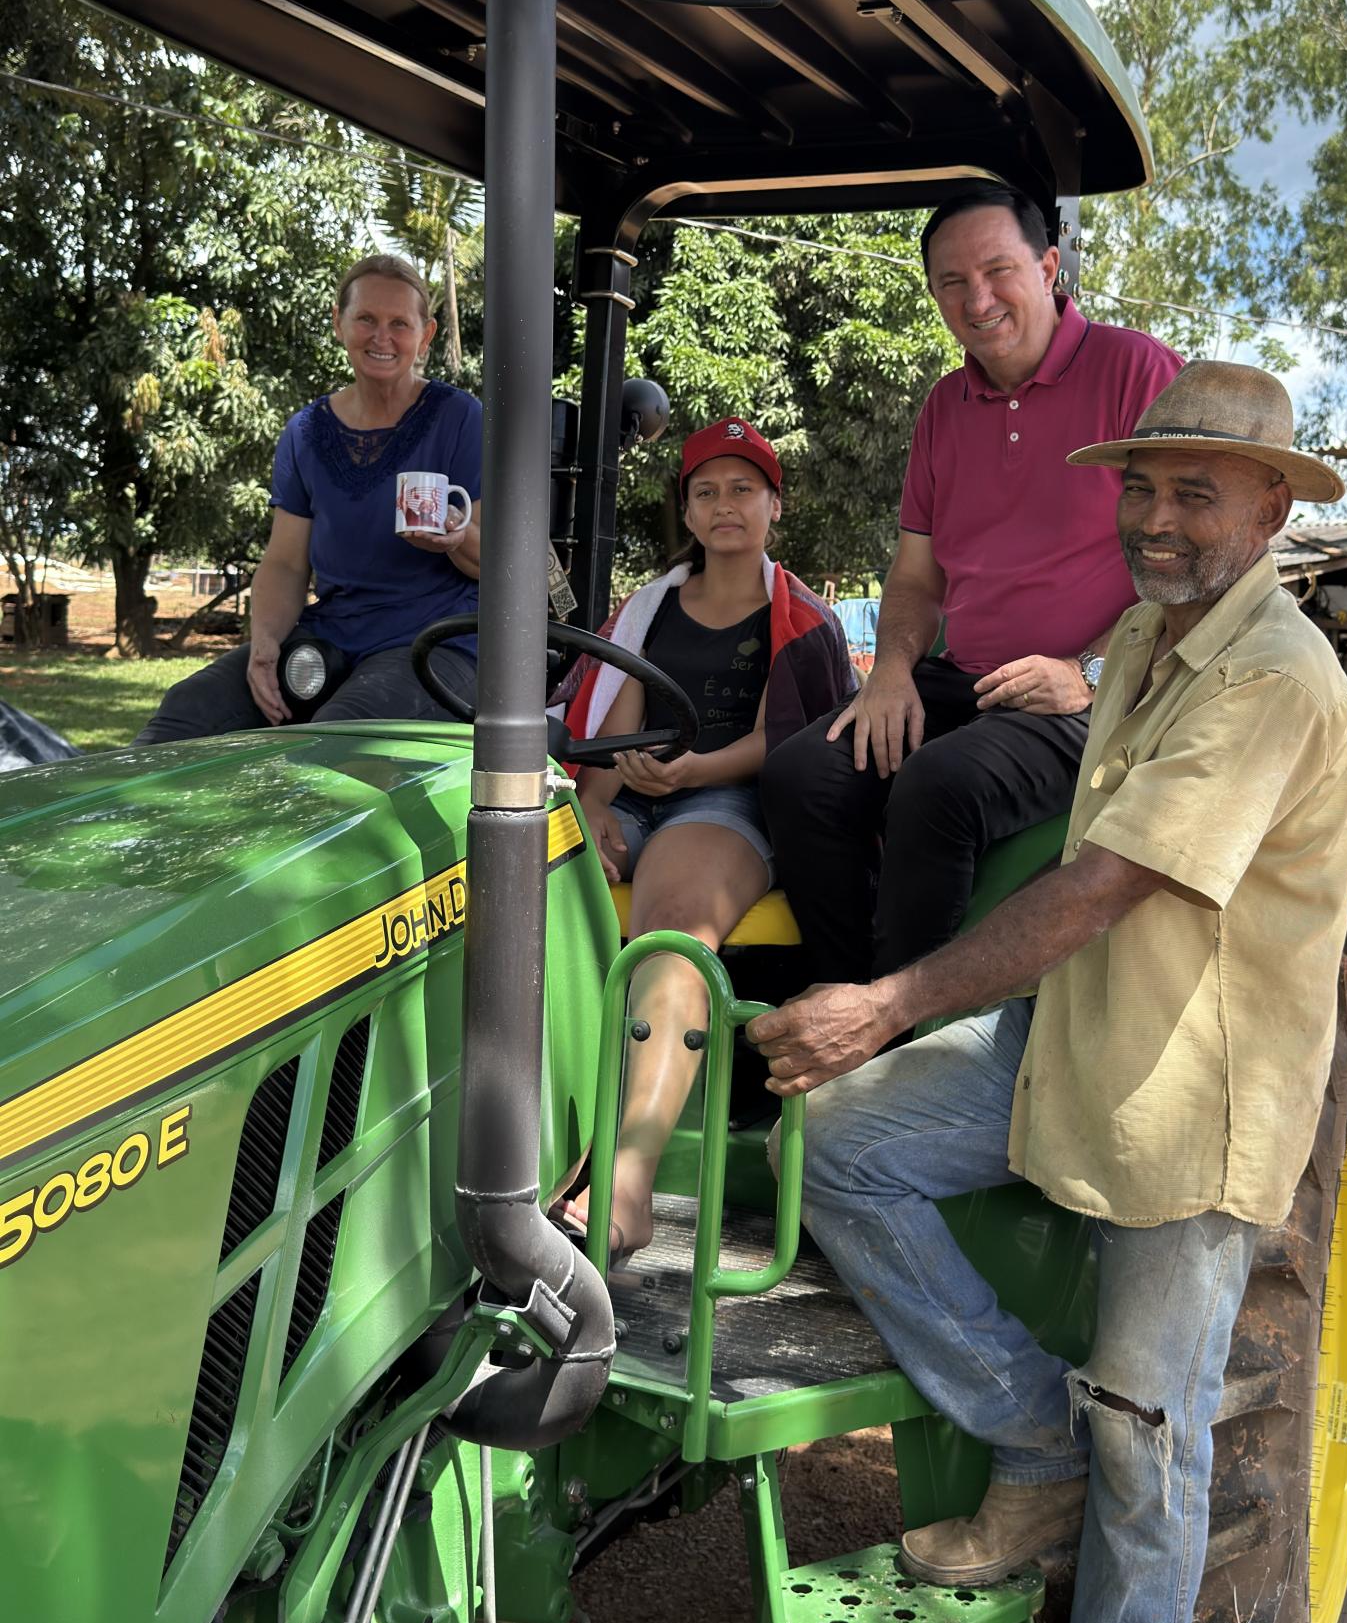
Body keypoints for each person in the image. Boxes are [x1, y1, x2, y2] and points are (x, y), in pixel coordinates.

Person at [749, 363, 1347, 1623]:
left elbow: (1097, 890)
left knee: (1154, 1449)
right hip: (1077, 1037)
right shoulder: (1146, 643)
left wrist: (887, 997)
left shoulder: (1274, 677)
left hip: (1194, 1092)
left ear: (1272, 508)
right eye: (1142, 487)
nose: (1157, 518)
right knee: (840, 1147)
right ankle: (1033, 1445)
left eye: (1196, 492)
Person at [760, 187, 1181, 982]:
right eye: (952, 282)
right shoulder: (944, 408)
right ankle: (843, 994)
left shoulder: (1139, 372)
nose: (977, 300)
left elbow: (1183, 560)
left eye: (997, 271)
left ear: (1048, 268)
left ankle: (902, 1026)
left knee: (938, 784)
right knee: (800, 772)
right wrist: (891, 670)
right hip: (968, 681)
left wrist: (1090, 671)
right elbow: (916, 576)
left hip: (1102, 694)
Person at [562, 418, 854, 1261]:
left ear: (773, 505)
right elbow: (614, 718)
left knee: (672, 932)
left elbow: (781, 738)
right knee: (528, 880)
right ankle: (538, 1145)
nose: (725, 506)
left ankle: (626, 1181)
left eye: (743, 489)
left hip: (731, 800)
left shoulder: (800, 617)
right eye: (706, 492)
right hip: (636, 793)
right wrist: (595, 804)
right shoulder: (647, 609)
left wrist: (691, 770)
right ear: (687, 513)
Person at [138, 256, 483, 740]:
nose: (381, 337)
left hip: (436, 643)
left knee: (340, 735)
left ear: (425, 336)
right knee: (189, 708)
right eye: (366, 318)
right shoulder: (305, 431)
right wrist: (265, 643)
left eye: (399, 324)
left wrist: (454, 538)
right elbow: (285, 563)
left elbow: (500, 562)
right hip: (333, 635)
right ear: (339, 323)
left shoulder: (461, 417)